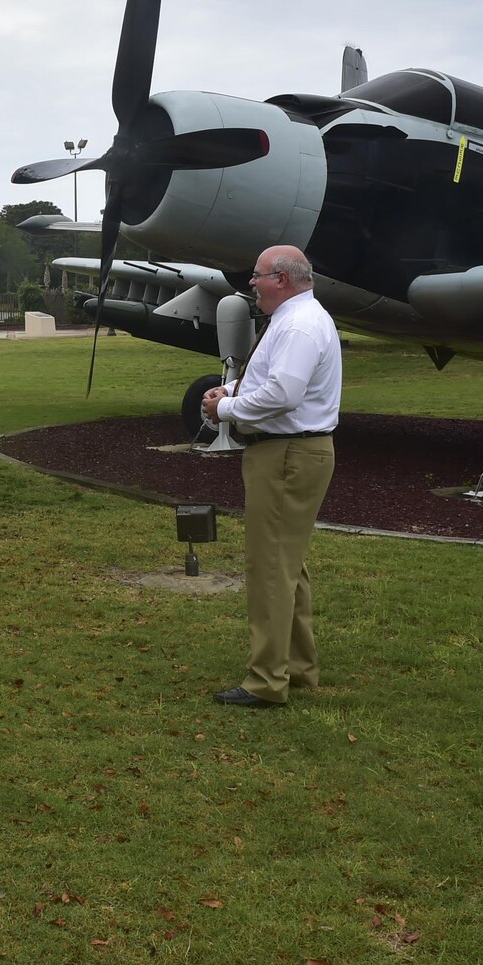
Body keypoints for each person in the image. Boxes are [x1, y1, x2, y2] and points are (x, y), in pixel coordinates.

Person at [201, 244, 342, 708]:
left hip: (287, 454)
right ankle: (298, 667)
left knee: (269, 569)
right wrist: (236, 387)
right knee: (288, 566)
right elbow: (274, 378)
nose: (252, 285)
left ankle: (266, 681)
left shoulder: (299, 323)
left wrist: (226, 408)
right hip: (290, 452)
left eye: (257, 276)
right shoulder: (296, 319)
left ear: (281, 279)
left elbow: (283, 393)